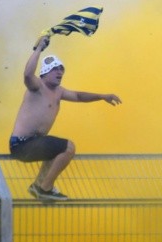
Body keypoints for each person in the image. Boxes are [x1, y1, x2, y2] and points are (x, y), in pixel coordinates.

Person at [9, 34, 122, 201]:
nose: (60, 72)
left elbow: (78, 96)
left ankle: (38, 186)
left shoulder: (59, 91)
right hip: (22, 144)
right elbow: (27, 75)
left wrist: (102, 96)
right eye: (56, 69)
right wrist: (38, 49)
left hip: (34, 143)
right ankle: (44, 189)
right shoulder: (37, 86)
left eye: (62, 69)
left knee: (55, 151)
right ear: (45, 72)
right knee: (68, 147)